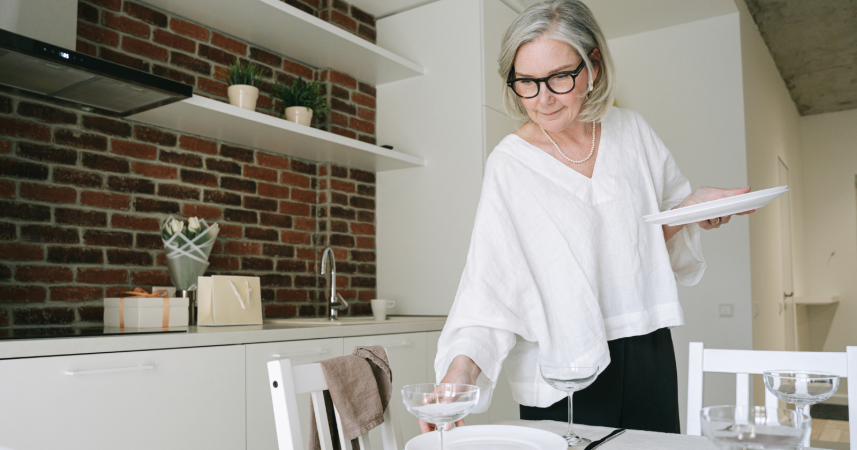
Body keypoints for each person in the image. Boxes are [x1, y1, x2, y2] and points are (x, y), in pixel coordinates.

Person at [422, 0, 754, 436]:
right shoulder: (510, 164)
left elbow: (640, 244)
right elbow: (490, 286)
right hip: (564, 366)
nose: (542, 99)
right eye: (526, 82)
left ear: (592, 64)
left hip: (647, 347)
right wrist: (458, 374)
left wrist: (691, 209)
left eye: (559, 77)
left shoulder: (632, 132)